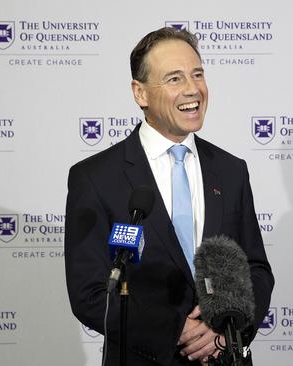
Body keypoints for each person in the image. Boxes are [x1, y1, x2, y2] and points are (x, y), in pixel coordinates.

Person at [65, 27, 274, 366]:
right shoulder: (95, 177)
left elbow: (256, 269)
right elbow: (90, 293)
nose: (193, 89)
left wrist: (224, 330)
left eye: (198, 74)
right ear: (140, 93)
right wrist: (178, 331)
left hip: (225, 356)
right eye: (174, 79)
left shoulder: (231, 169)